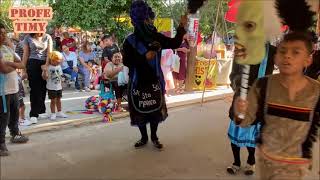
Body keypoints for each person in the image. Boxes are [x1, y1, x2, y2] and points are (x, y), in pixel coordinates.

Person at [235, 31, 320, 180]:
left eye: (296, 52)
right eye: (282, 51)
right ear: (275, 57)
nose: (287, 56)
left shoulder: (316, 91)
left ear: (308, 60)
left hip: (300, 167)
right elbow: (244, 121)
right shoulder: (262, 85)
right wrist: (239, 111)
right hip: (268, 163)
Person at [122, 0, 187, 149]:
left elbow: (175, 43)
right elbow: (126, 61)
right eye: (146, 19)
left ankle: (154, 137)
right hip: (137, 82)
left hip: (154, 80)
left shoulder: (156, 37)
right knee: (140, 111)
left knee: (155, 111)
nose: (149, 22)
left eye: (149, 19)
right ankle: (144, 138)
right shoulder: (130, 40)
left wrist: (182, 27)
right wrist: (144, 57)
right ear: (137, 21)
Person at [226, 42, 276, 175]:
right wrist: (239, 86)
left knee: (252, 134)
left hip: (259, 100)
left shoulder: (272, 51)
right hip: (240, 99)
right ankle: (236, 162)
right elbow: (234, 73)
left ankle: (251, 161)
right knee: (235, 131)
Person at [0, 23, 29, 156]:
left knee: (14, 114)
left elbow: (22, 64)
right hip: (2, 90)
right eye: (0, 33)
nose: (3, 36)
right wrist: (13, 65)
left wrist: (10, 63)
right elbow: (3, 70)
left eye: (4, 33)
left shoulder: (7, 48)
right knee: (3, 117)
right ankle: (1, 144)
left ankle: (15, 133)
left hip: (13, 87)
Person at [22, 32, 52, 124]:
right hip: (32, 63)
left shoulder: (47, 37)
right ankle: (33, 114)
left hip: (44, 63)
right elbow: (26, 54)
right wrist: (24, 69)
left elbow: (49, 53)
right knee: (35, 89)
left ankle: (41, 110)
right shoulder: (28, 37)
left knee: (43, 88)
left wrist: (46, 65)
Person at [45, 51, 68, 120]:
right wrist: (44, 70)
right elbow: (45, 76)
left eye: (59, 62)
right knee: (53, 101)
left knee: (59, 100)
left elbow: (60, 76)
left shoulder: (59, 66)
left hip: (58, 87)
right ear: (52, 60)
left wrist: (61, 85)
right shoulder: (48, 67)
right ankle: (53, 113)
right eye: (57, 61)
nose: (58, 63)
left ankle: (59, 112)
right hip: (51, 87)